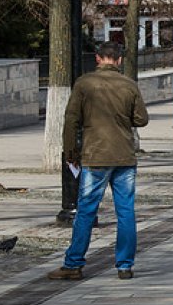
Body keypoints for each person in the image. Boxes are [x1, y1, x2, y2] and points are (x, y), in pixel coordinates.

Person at [48, 42, 150, 281]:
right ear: (119, 60)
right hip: (124, 156)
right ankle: (124, 265)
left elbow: (71, 119)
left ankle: (73, 264)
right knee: (125, 211)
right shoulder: (129, 85)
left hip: (95, 155)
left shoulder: (84, 84)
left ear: (97, 58)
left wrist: (70, 151)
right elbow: (141, 119)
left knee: (86, 211)